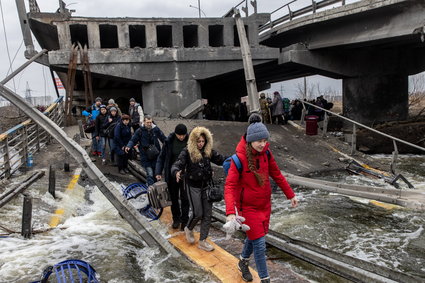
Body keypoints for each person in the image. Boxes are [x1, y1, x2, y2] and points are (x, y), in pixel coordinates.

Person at [224, 122, 298, 283]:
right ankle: (265, 279)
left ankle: (243, 261)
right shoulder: (239, 160)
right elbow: (229, 186)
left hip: (264, 205)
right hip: (247, 208)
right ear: (250, 140)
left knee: (256, 236)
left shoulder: (267, 154)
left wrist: (290, 195)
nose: (263, 144)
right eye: (259, 141)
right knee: (259, 244)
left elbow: (277, 174)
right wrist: (230, 212)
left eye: (265, 140)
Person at [171, 127, 226, 252]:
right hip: (193, 187)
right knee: (198, 213)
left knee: (207, 214)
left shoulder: (208, 151)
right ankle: (188, 228)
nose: (201, 144)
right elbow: (177, 164)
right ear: (193, 141)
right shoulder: (187, 152)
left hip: (206, 186)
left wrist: (236, 159)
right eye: (198, 141)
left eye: (203, 141)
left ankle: (203, 241)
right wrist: (176, 172)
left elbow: (221, 159)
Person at [155, 124, 189, 230]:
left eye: (183, 135)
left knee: (185, 199)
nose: (181, 137)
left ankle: (185, 220)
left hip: (185, 175)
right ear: (175, 134)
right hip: (171, 174)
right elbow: (161, 157)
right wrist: (158, 172)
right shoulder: (169, 142)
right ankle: (176, 219)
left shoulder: (190, 141)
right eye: (179, 135)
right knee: (173, 198)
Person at [125, 115, 166, 185]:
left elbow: (163, 138)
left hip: (155, 155)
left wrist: (169, 145)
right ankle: (151, 189)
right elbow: (133, 140)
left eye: (150, 122)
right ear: (144, 122)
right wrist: (128, 146)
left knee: (156, 173)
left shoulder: (156, 129)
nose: (149, 124)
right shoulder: (140, 131)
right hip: (145, 156)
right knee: (149, 173)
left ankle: (155, 188)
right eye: (147, 122)